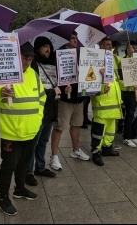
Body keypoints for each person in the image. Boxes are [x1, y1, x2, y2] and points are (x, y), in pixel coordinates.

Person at [0, 42, 46, 215]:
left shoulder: (33, 73)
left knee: (24, 164)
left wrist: (38, 117)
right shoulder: (3, 73)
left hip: (31, 131)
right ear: (16, 57)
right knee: (8, 165)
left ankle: (19, 189)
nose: (28, 62)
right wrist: (0, 92)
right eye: (25, 58)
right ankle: (3, 197)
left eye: (31, 58)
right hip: (11, 132)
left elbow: (42, 97)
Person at [50, 31, 90, 170]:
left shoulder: (81, 54)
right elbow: (55, 75)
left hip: (79, 97)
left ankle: (76, 150)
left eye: (76, 38)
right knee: (60, 126)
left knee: (76, 125)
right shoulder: (58, 54)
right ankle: (54, 156)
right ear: (65, 40)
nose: (75, 40)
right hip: (65, 98)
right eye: (72, 38)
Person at [25, 36, 60, 186]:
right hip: (38, 110)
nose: (48, 49)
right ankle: (28, 172)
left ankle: (40, 167)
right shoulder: (33, 66)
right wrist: (53, 92)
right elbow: (34, 90)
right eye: (45, 46)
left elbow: (56, 85)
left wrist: (63, 89)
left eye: (49, 47)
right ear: (38, 48)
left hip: (51, 109)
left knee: (43, 141)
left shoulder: (52, 64)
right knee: (34, 142)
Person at [90, 37, 123, 166]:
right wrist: (102, 84)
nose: (110, 46)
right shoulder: (94, 60)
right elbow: (90, 82)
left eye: (111, 45)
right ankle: (96, 152)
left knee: (110, 129)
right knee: (99, 131)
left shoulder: (112, 60)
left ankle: (107, 147)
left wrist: (131, 84)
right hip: (102, 103)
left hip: (114, 104)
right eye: (107, 44)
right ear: (100, 45)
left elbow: (117, 80)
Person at [121, 43, 137, 148]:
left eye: (135, 48)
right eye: (131, 47)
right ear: (127, 49)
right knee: (129, 115)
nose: (134, 49)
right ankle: (127, 137)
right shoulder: (122, 61)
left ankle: (133, 136)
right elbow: (121, 78)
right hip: (127, 92)